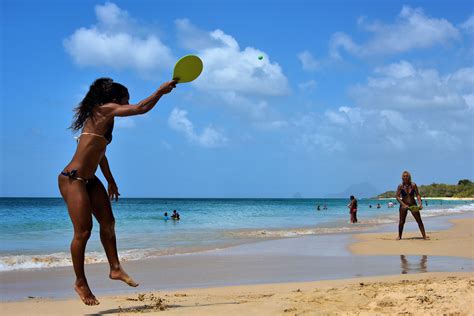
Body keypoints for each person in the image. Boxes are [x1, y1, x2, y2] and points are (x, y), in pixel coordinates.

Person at [58, 78, 176, 305]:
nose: (127, 104)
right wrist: (160, 91)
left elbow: (99, 154)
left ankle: (115, 268)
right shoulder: (103, 110)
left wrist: (111, 181)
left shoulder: (105, 120)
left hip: (90, 180)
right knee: (83, 232)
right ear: (114, 100)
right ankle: (80, 282)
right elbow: (141, 108)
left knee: (108, 223)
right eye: (125, 101)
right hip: (72, 180)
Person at [396, 171, 427, 240]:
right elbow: (397, 197)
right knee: (401, 221)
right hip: (404, 205)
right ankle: (399, 236)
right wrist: (403, 205)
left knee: (419, 220)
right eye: (404, 176)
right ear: (402, 177)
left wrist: (420, 203)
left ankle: (424, 236)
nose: (405, 177)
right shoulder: (400, 186)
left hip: (413, 204)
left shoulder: (413, 185)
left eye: (407, 176)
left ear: (409, 177)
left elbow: (418, 195)